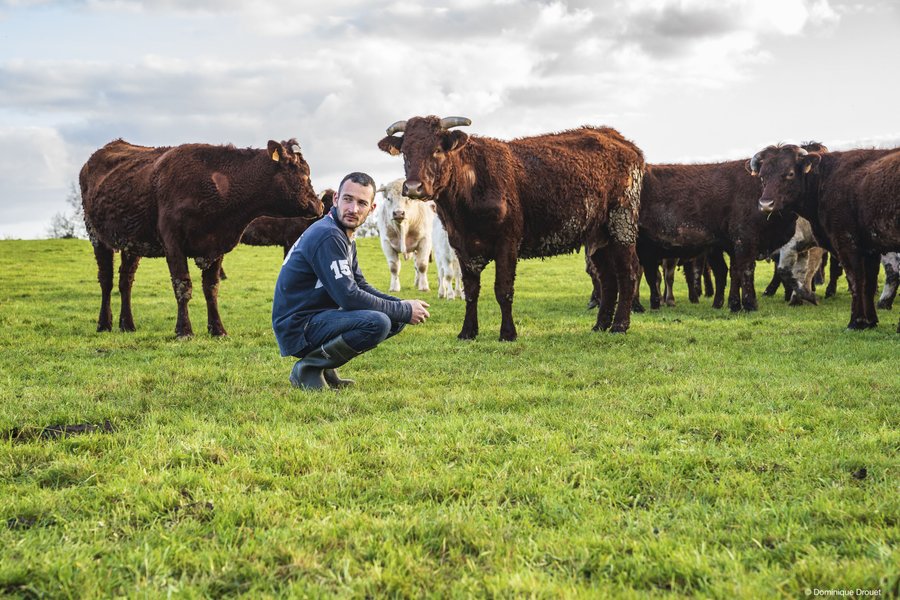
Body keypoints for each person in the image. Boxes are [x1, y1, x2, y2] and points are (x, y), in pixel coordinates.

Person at [272, 172, 430, 390]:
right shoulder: (328, 235)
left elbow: (360, 285)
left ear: (372, 209)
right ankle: (308, 368)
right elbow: (348, 296)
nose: (353, 209)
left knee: (394, 315)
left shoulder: (343, 235)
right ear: (336, 199)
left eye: (362, 203)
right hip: (298, 326)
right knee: (379, 322)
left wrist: (401, 305)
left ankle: (326, 369)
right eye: (348, 199)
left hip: (313, 318)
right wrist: (401, 309)